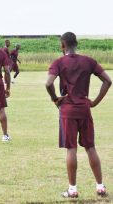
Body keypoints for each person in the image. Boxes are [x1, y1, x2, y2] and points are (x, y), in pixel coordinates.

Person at [45, 32, 111, 198]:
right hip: (84, 109)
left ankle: (73, 189)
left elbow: (48, 83)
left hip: (67, 110)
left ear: (62, 45)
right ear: (76, 44)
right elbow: (108, 81)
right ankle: (100, 186)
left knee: (71, 149)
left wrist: (55, 99)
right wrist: (94, 102)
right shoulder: (88, 61)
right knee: (90, 147)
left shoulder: (59, 62)